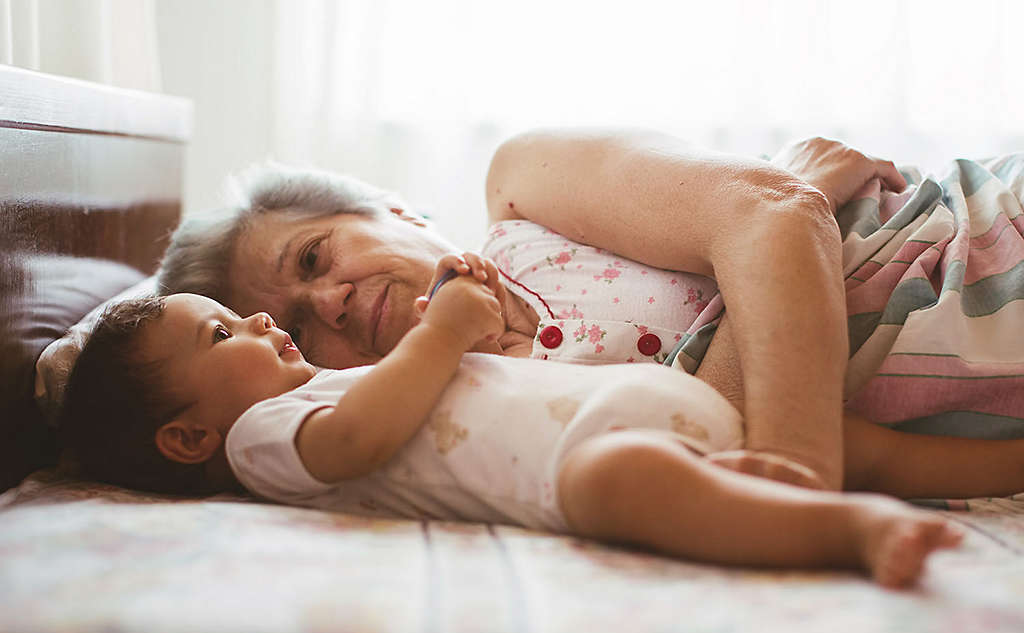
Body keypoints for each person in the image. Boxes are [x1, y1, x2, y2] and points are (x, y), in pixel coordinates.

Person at [156, 130, 1024, 495]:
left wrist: (791, 480)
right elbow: (699, 440)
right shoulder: (482, 422)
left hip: (980, 242)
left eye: (314, 257)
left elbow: (771, 210)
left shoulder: (525, 194)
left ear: (397, 211)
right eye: (299, 333)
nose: (330, 302)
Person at [61, 253, 964, 589]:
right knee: (619, 483)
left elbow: (452, 397)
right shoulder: (266, 443)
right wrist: (444, 335)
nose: (262, 321)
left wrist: (470, 322)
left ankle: (957, 469)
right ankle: (851, 525)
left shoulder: (336, 385)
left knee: (764, 443)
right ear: (187, 438)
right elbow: (358, 443)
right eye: (222, 331)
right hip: (597, 453)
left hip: (617, 406)